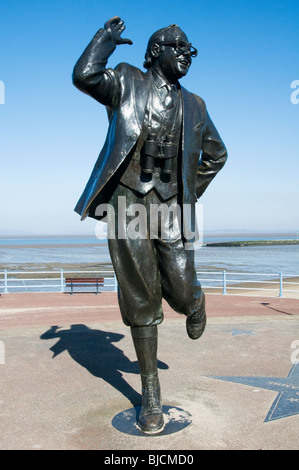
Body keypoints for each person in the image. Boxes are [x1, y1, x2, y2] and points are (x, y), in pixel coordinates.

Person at [72, 16, 227, 432]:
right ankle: (150, 395)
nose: (187, 56)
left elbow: (217, 154)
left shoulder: (195, 104)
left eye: (191, 51)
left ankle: (194, 300)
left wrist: (187, 190)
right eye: (180, 48)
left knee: (177, 285)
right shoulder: (126, 82)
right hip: (126, 201)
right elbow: (84, 76)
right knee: (141, 297)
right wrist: (103, 40)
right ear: (157, 51)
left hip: (171, 207)